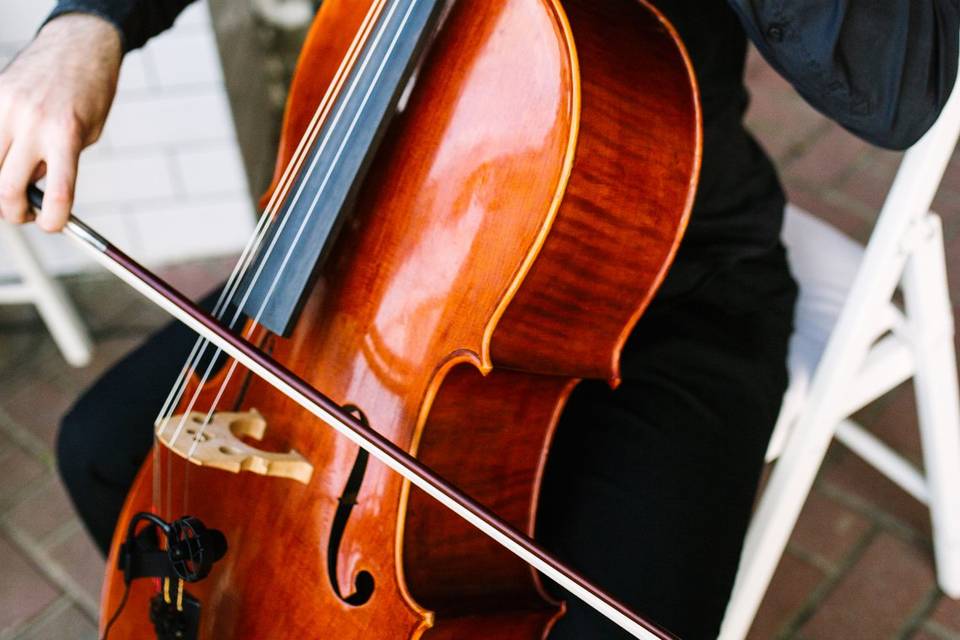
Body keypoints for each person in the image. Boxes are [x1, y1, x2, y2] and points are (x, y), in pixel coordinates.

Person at [0, 1, 957, 638]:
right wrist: (85, 25)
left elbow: (900, 88)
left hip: (653, 266)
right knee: (107, 450)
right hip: (381, 236)